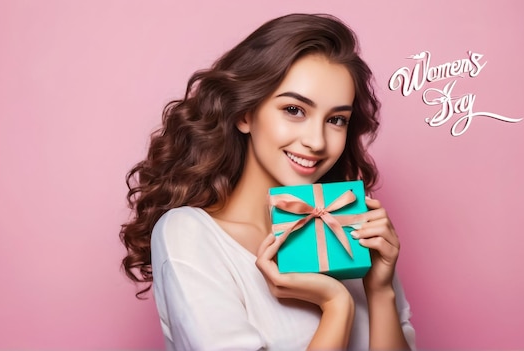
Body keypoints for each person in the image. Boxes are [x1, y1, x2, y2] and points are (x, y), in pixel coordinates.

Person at [120, 13, 416, 350]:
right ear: (245, 113)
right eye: (294, 110)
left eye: (336, 119)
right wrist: (336, 306)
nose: (317, 141)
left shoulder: (352, 229)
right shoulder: (190, 235)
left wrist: (380, 290)